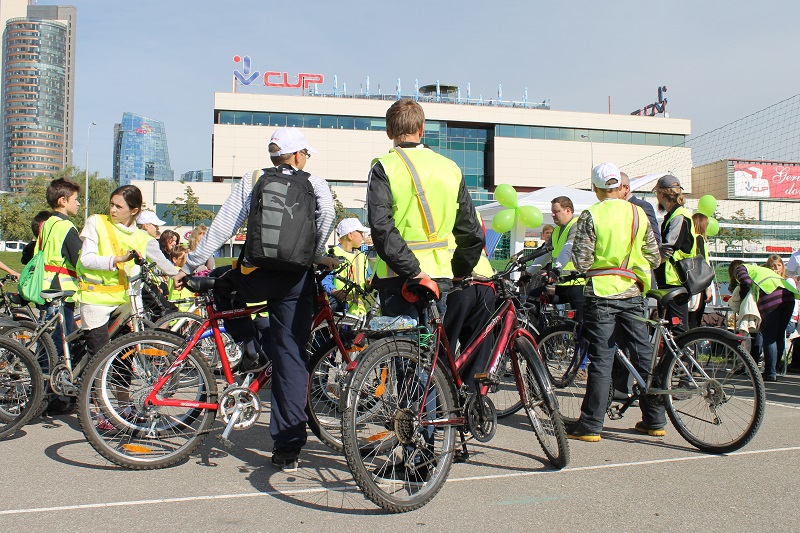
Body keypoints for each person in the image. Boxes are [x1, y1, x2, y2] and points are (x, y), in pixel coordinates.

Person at [175, 127, 336, 471]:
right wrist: (314, 253)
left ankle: (249, 346)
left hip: (255, 275)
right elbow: (328, 218)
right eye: (305, 153)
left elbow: (222, 227)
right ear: (296, 155)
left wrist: (190, 265)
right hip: (295, 280)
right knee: (291, 358)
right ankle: (288, 449)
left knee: (219, 286)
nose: (305, 159)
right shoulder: (316, 183)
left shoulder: (253, 178)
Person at [567, 162, 663, 442]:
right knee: (643, 354)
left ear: (596, 188)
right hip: (633, 292)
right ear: (619, 186)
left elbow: (582, 260)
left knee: (602, 358)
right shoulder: (638, 212)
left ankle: (591, 425)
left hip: (601, 293)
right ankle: (655, 419)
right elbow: (655, 257)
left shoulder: (591, 214)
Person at [367, 98, 484, 321]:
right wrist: (459, 272)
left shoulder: (384, 167)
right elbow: (472, 233)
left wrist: (413, 270)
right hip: (439, 277)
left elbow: (381, 227)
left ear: (389, 132)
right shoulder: (450, 168)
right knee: (432, 349)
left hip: (398, 276)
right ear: (422, 130)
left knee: (400, 350)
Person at [77, 185, 181, 358]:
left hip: (122, 303)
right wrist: (117, 260)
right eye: (112, 204)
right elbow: (86, 259)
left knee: (124, 359)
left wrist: (136, 313)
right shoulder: (97, 222)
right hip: (95, 300)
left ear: (134, 210)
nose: (112, 210)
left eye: (119, 206)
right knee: (99, 359)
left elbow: (135, 278)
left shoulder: (140, 237)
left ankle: (118, 386)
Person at [729, 259, 800, 382]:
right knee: (779, 336)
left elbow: (745, 282)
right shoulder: (763, 271)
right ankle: (774, 369)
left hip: (771, 299)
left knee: (769, 337)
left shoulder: (741, 269)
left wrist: (743, 296)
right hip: (788, 298)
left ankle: (770, 373)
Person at [39, 179, 82, 341]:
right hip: (62, 289)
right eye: (76, 199)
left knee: (48, 343)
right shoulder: (66, 227)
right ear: (62, 201)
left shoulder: (48, 223)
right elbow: (79, 259)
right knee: (58, 344)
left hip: (46, 285)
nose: (78, 204)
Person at [653, 175, 696, 334]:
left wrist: (650, 261)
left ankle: (682, 359)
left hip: (675, 280)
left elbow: (669, 248)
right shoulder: (673, 215)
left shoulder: (679, 216)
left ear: (661, 194)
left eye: (657, 193)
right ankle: (674, 358)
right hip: (670, 280)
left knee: (677, 328)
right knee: (670, 327)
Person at [323, 217, 372, 316]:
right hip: (339, 312)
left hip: (359, 313)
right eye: (360, 233)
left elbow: (368, 279)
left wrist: (369, 283)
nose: (363, 237)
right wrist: (335, 291)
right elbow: (324, 280)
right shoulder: (332, 255)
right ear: (350, 235)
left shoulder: (362, 256)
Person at [620, 172, 662, 246]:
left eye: (614, 189)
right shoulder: (614, 208)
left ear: (626, 188)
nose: (611, 193)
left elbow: (655, 240)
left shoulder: (643, 206)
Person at [688, 213, 713, 328]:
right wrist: (707, 288)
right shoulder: (699, 239)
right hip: (699, 284)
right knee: (695, 320)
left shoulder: (689, 239)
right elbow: (702, 263)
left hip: (689, 282)